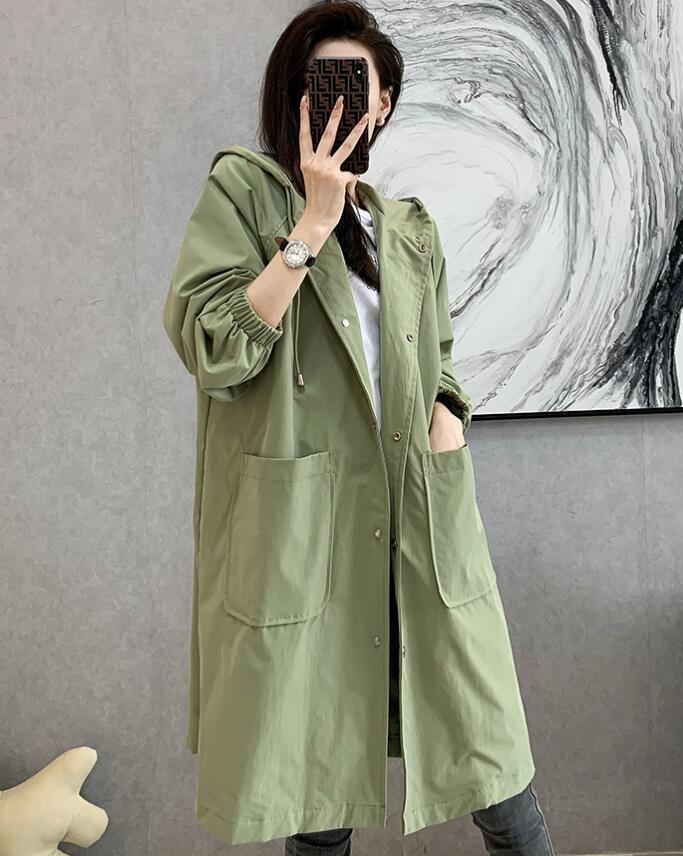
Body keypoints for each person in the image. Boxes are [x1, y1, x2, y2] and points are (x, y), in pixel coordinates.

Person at [162, 2, 555, 853]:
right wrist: (310, 225)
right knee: (317, 773)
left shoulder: (406, 228)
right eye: (315, 83)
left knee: (494, 760)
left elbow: (437, 359)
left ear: (381, 104)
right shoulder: (242, 193)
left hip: (419, 511)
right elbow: (214, 347)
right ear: (291, 97)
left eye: (351, 83)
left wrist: (447, 417)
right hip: (305, 523)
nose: (332, 100)